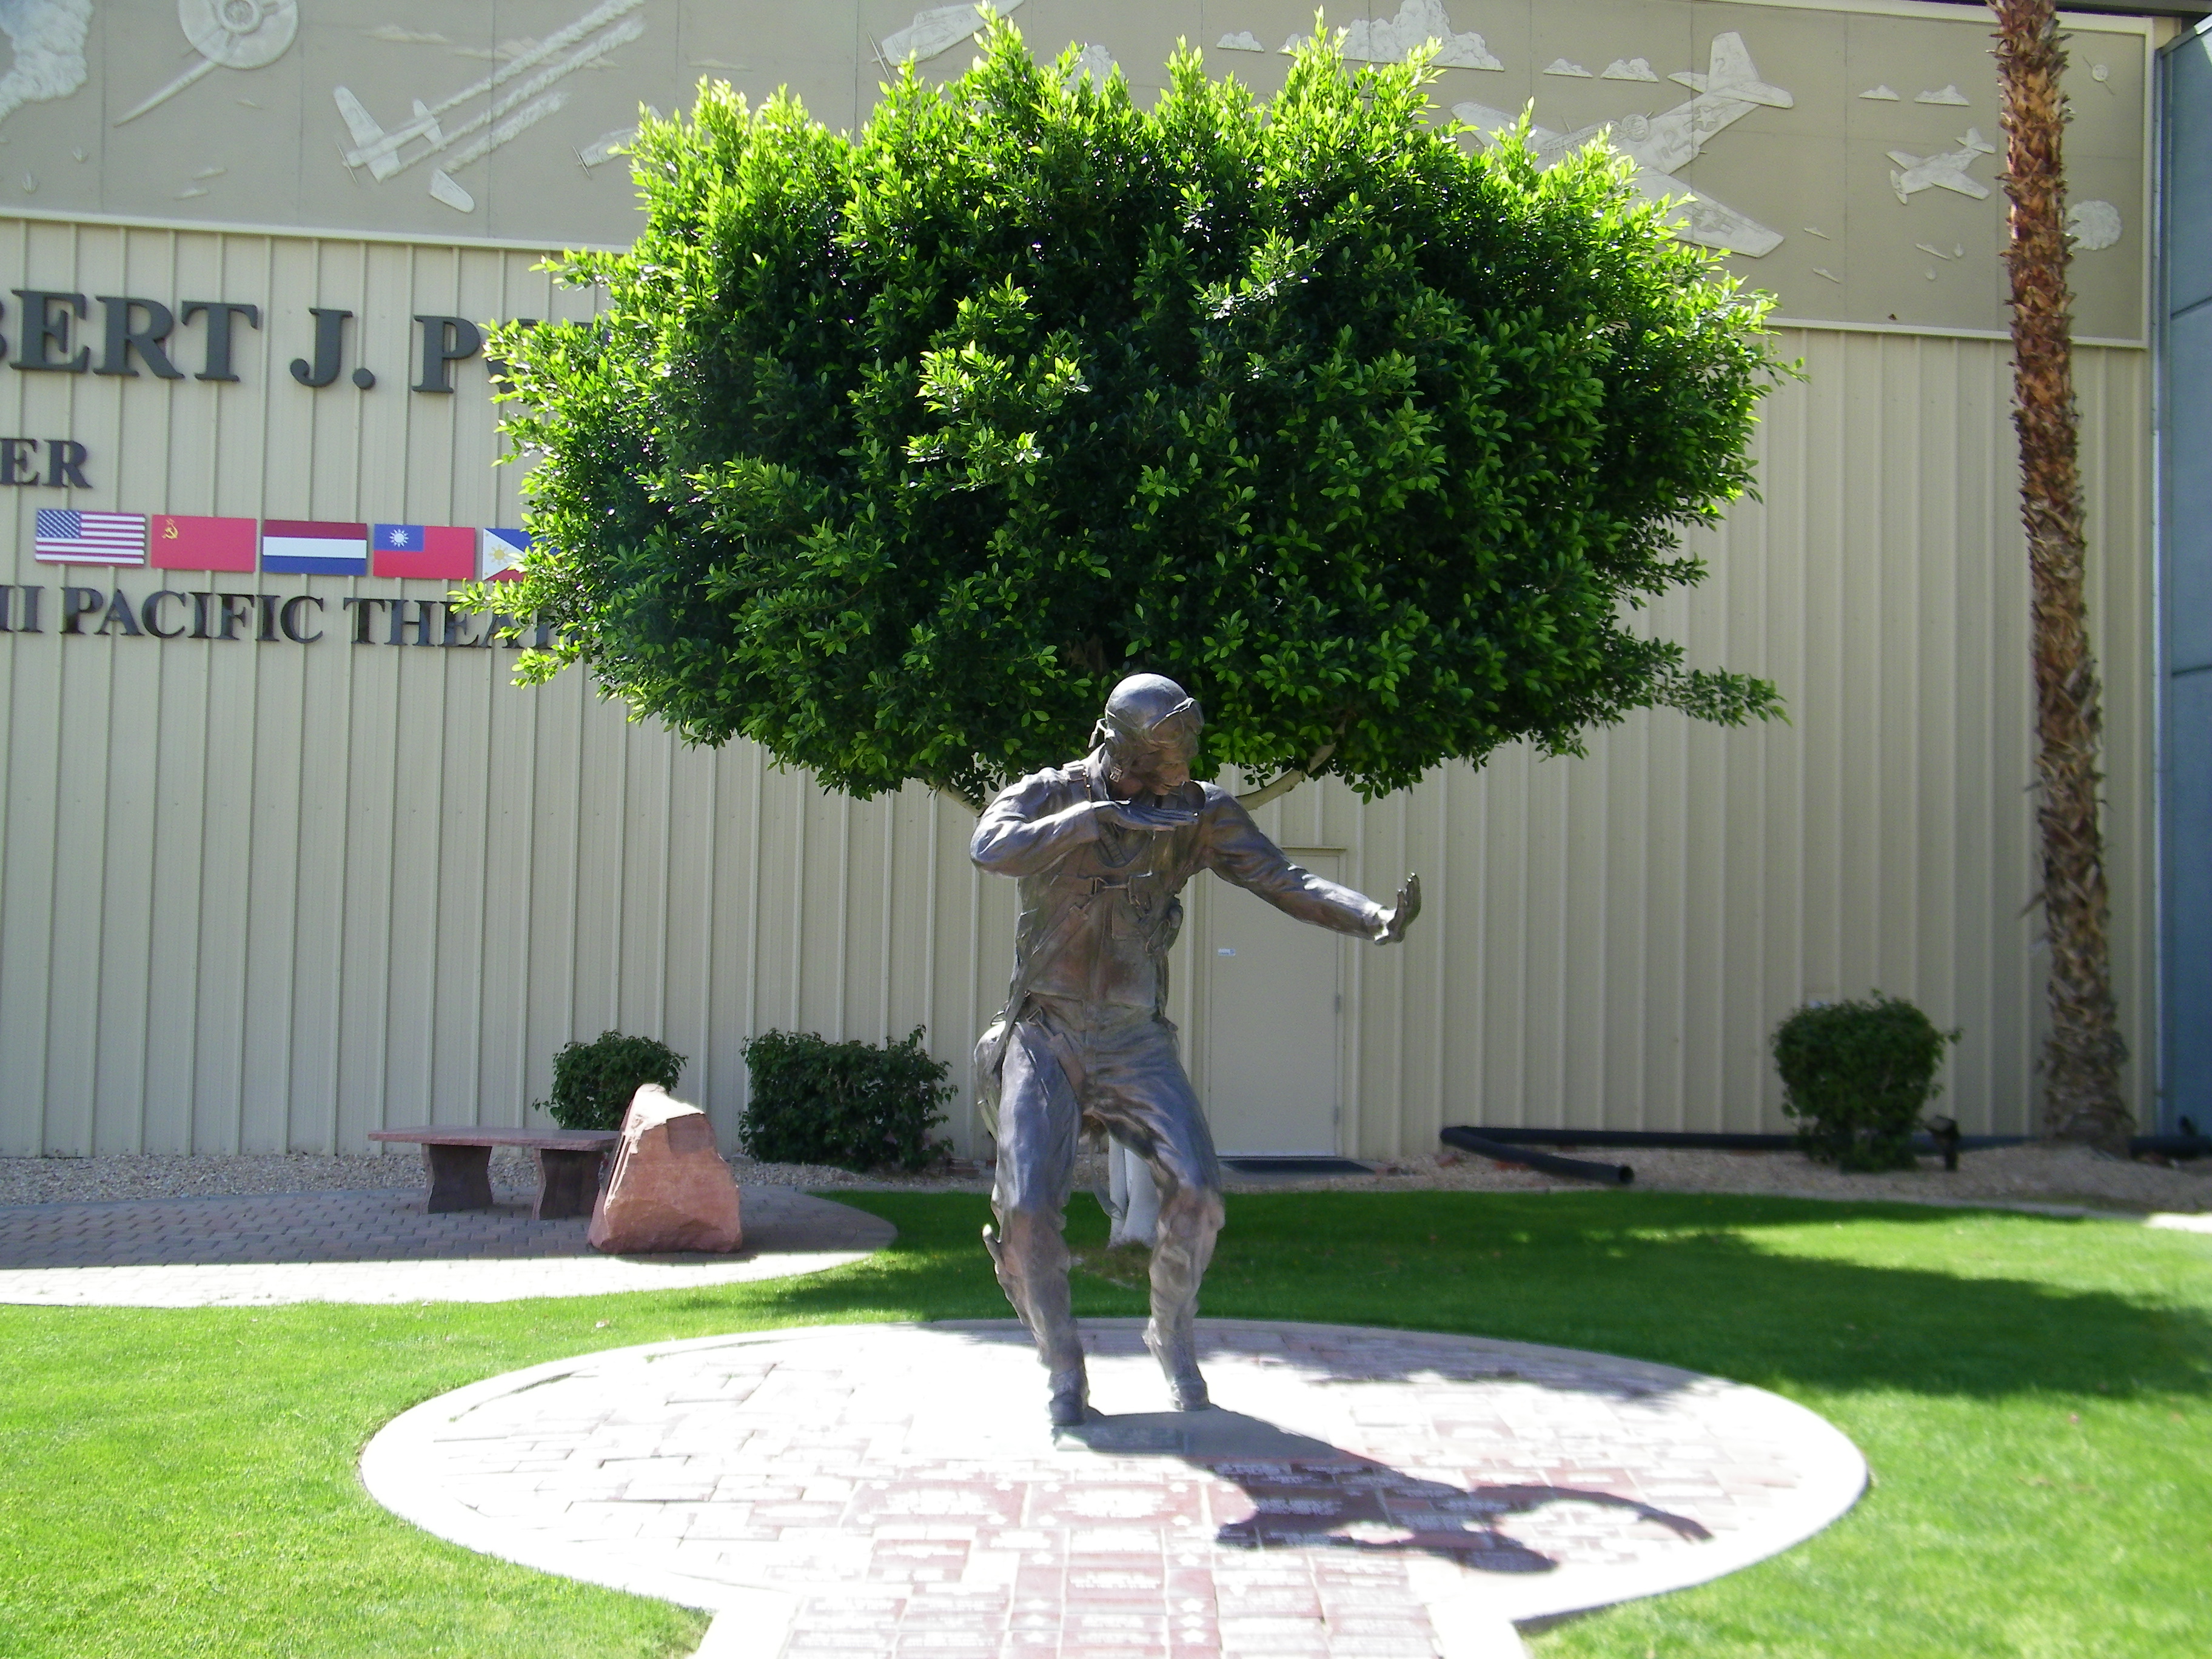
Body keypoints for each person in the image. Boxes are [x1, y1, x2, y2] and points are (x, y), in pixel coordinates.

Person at [971, 672, 1421, 1426]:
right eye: (1157, 763)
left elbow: (1283, 878)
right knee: (1025, 1211)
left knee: (1199, 1193)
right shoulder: (1050, 795)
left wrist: (1369, 915)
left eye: (1180, 760)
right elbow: (990, 848)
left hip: (1133, 1039)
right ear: (1115, 744)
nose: (1172, 777)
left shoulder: (1200, 812)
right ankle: (1064, 1368)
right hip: (1046, 1032)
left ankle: (1171, 1333)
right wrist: (1086, 822)